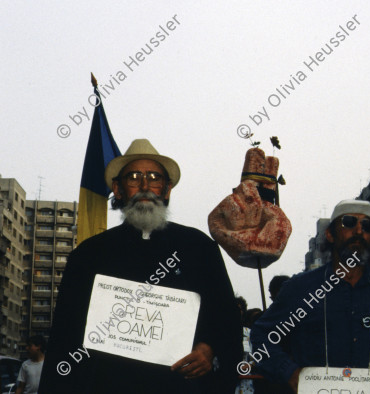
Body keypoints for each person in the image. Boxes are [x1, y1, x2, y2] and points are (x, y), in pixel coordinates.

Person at [39, 139, 242, 394]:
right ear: (118, 189)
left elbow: (226, 321)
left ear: (166, 190)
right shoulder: (88, 255)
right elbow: (64, 338)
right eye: (134, 177)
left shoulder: (199, 248)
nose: (145, 186)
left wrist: (209, 349)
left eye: (154, 178)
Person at [251, 199, 370, 393]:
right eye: (349, 223)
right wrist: (289, 373)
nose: (359, 231)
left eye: (367, 226)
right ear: (330, 234)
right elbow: (262, 336)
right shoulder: (300, 288)